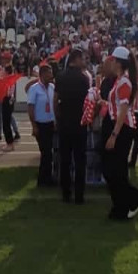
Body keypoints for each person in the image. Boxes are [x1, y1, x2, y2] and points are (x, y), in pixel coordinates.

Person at [101, 47, 138, 220]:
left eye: (112, 60)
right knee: (113, 170)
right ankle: (121, 206)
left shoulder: (124, 81)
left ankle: (134, 198)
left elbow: (123, 110)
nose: (110, 63)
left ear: (117, 62)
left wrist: (114, 135)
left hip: (122, 128)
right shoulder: (121, 80)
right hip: (120, 126)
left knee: (115, 171)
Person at [54, 49, 90, 204]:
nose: (85, 61)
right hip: (79, 123)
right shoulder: (84, 78)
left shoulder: (60, 77)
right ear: (76, 59)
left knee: (65, 160)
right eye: (83, 59)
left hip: (65, 123)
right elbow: (87, 102)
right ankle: (79, 196)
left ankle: (66, 193)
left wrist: (58, 117)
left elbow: (55, 100)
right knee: (80, 160)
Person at [26, 64, 56, 187]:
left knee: (48, 152)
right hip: (40, 124)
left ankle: (46, 177)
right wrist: (34, 125)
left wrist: (55, 121)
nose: (51, 75)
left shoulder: (52, 87)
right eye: (49, 73)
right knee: (46, 152)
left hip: (50, 123)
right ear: (43, 74)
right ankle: (43, 179)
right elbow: (30, 107)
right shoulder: (34, 89)